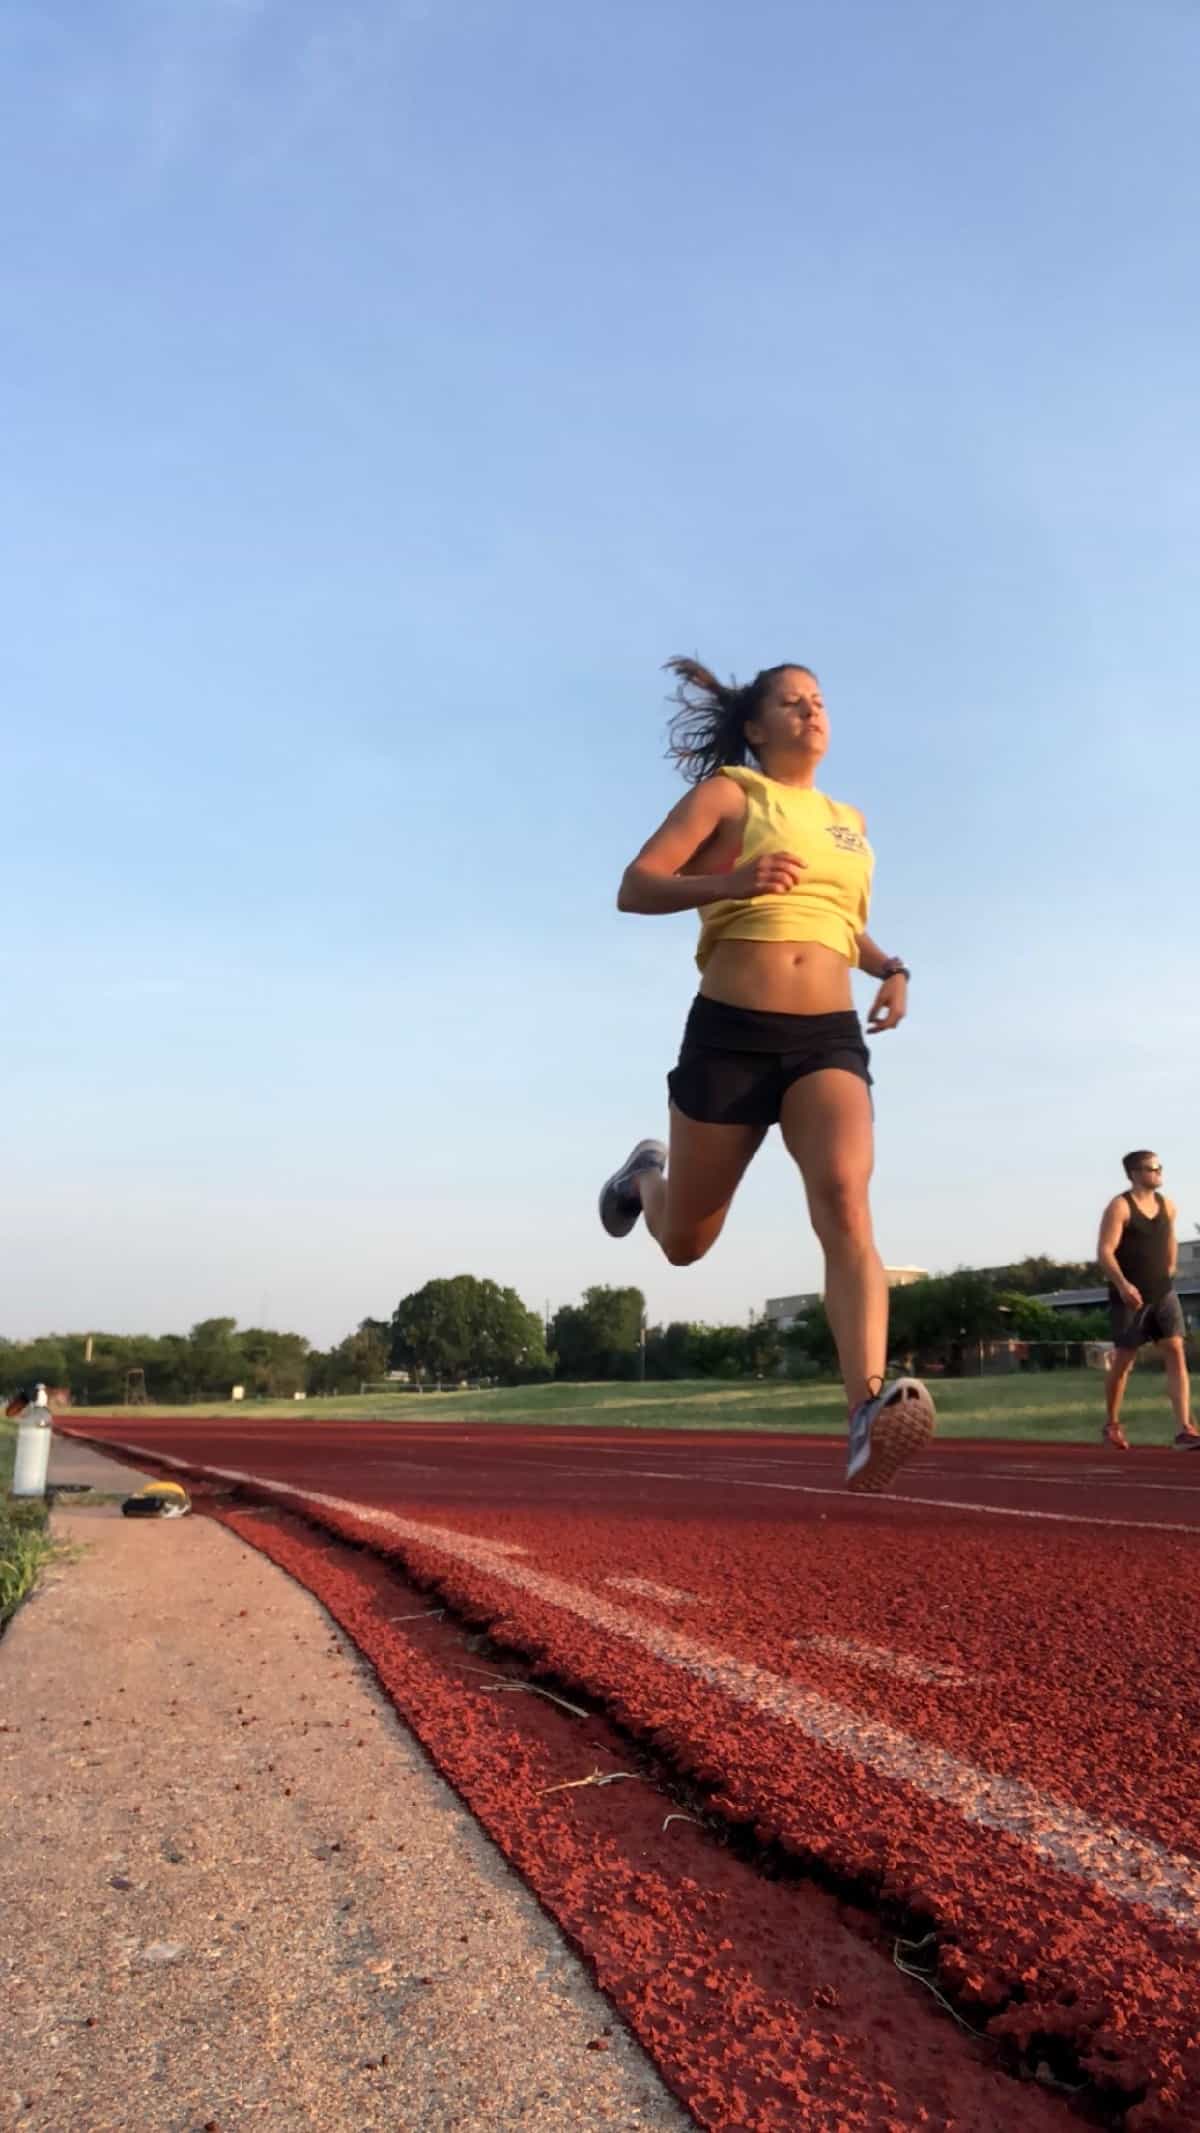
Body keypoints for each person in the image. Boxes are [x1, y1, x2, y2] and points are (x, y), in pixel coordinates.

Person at [598, 656, 935, 1494]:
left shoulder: (849, 821)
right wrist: (731, 880)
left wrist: (891, 965)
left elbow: (838, 921)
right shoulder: (730, 795)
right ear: (755, 726)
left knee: (845, 1199)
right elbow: (635, 886)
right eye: (792, 701)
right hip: (731, 1034)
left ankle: (864, 1412)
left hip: (825, 1037)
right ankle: (646, 1178)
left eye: (820, 699)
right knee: (685, 1244)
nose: (812, 710)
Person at [1097, 1150, 1197, 1450]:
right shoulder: (1120, 1207)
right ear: (1135, 1173)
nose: (1158, 1172)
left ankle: (1184, 1428)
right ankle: (1112, 1424)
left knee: (1175, 1350)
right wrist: (1124, 1285)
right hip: (1130, 1296)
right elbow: (1104, 1252)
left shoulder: (1168, 1206)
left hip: (1162, 1292)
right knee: (1125, 1360)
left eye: (1159, 1167)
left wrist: (1169, 1270)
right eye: (1152, 1168)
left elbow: (1170, 1241)